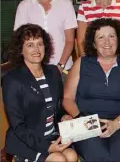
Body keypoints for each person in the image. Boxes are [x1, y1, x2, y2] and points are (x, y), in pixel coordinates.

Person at [62, 18, 120, 161]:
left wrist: (116, 124)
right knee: (97, 155)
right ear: (93, 43)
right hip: (87, 122)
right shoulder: (81, 64)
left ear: (118, 40)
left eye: (111, 36)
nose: (107, 42)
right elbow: (67, 98)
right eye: (101, 37)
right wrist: (84, 120)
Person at [2, 24, 77, 162]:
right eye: (30, 45)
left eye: (40, 44)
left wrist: (64, 116)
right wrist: (47, 147)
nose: (36, 49)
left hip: (51, 135)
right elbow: (18, 125)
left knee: (71, 156)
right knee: (59, 159)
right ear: (20, 50)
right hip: (26, 141)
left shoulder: (53, 72)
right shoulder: (12, 80)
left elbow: (58, 107)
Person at [13, 0, 77, 73]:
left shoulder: (66, 4)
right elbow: (20, 42)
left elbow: (70, 41)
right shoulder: (24, 7)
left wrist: (60, 66)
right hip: (33, 71)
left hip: (63, 69)